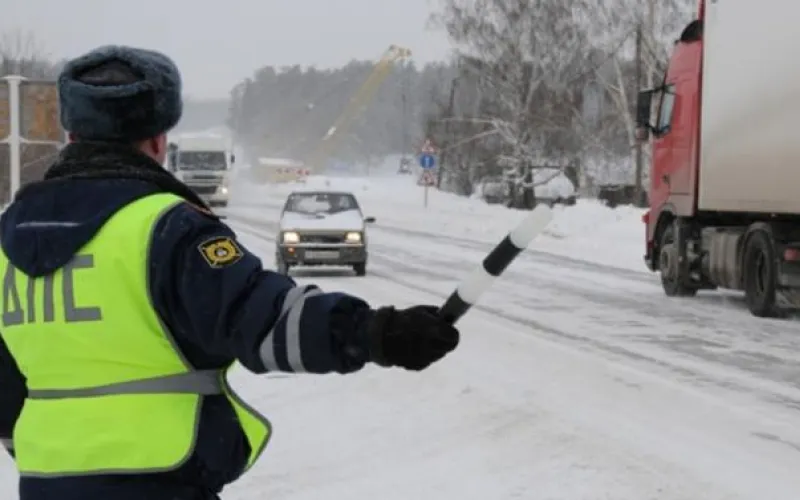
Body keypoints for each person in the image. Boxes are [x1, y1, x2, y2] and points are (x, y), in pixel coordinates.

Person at [0, 45, 460, 500]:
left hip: (46, 482)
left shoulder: (8, 237)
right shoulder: (165, 227)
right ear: (158, 141)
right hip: (160, 479)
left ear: (72, 136)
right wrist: (377, 332)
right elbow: (264, 320)